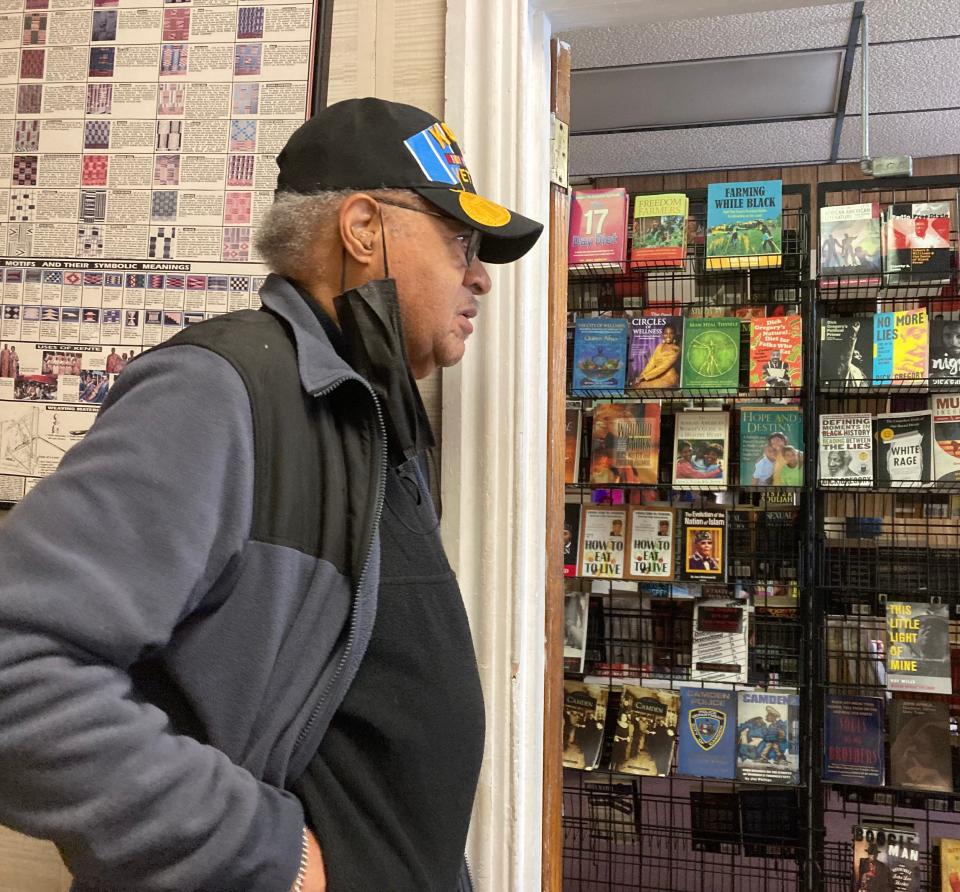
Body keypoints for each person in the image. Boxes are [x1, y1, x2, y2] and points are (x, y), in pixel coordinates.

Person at [0, 98, 542, 892]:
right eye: (460, 239)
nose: (479, 276)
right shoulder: (222, 391)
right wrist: (267, 857)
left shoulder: (371, 415)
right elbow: (17, 669)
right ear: (363, 228)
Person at [634, 323, 680, 389]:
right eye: (666, 333)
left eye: (671, 333)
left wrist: (644, 376)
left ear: (674, 335)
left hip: (669, 379)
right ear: (662, 335)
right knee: (637, 384)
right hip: (657, 377)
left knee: (642, 385)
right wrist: (641, 375)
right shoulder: (659, 346)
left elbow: (662, 367)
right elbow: (651, 363)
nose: (668, 336)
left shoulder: (675, 350)